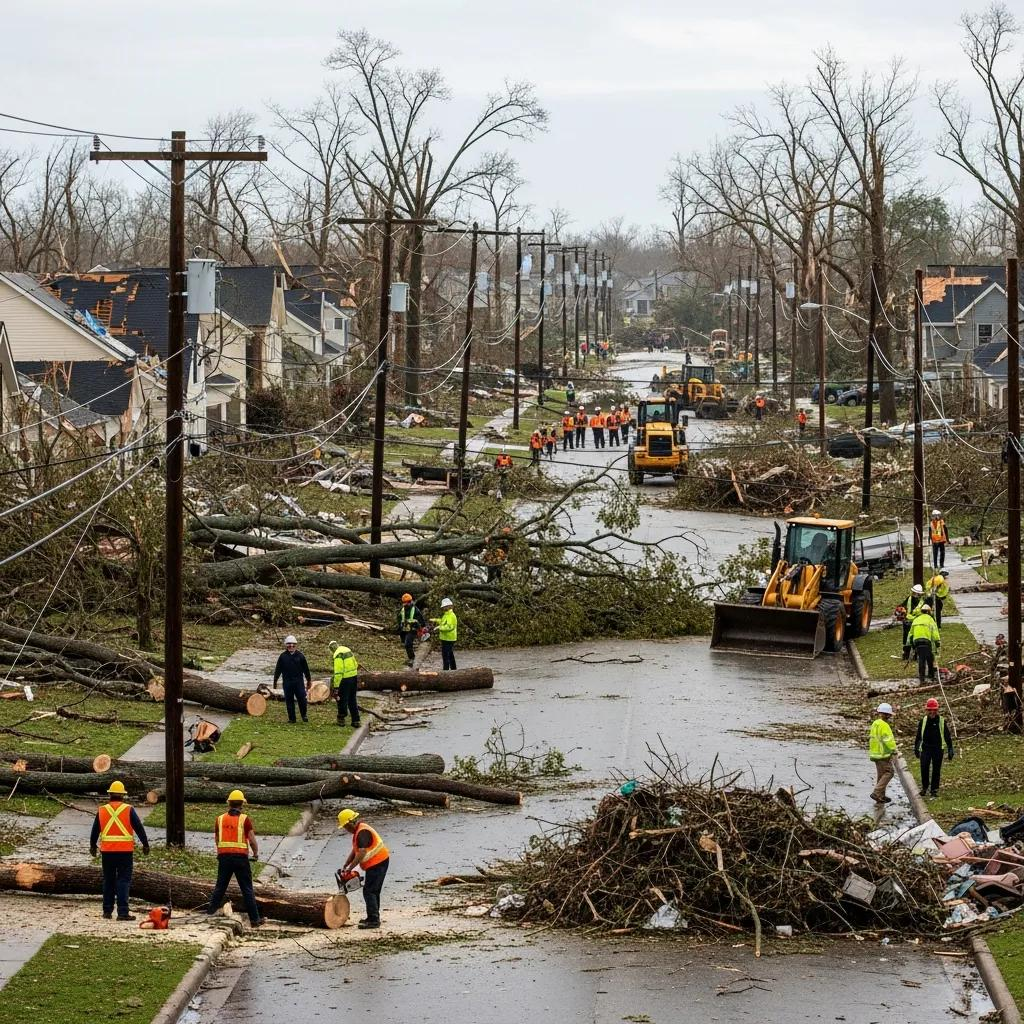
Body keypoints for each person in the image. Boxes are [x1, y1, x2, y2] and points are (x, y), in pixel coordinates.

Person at [90, 780, 150, 921]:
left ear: (110, 794)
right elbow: (138, 827)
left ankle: (107, 911)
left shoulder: (102, 810)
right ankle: (123, 912)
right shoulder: (128, 809)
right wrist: (145, 844)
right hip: (125, 852)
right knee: (123, 880)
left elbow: (95, 830)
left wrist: (93, 845)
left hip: (107, 851)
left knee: (108, 880)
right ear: (123, 795)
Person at [206, 791, 263, 927]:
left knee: (220, 887)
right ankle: (255, 920)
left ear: (229, 803)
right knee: (247, 889)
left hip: (224, 858)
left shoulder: (220, 819)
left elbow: (217, 839)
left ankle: (209, 914)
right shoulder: (244, 819)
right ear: (242, 804)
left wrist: (222, 852)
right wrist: (255, 854)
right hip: (241, 859)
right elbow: (252, 840)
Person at [337, 809, 390, 930]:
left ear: (350, 823)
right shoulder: (359, 831)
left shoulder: (362, 832)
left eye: (346, 826)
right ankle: (373, 916)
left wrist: (350, 868)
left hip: (378, 863)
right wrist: (347, 863)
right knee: (373, 890)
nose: (346, 829)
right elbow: (356, 849)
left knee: (369, 891)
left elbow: (361, 853)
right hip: (377, 863)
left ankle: (373, 920)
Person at [914, 697, 954, 798]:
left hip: (937, 749)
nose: (932, 712)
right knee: (924, 768)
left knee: (936, 770)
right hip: (925, 749)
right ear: (926, 710)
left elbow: (947, 735)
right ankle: (924, 787)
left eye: (934, 710)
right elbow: (919, 736)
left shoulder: (941, 721)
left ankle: (934, 790)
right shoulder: (923, 721)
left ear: (937, 710)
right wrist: (916, 748)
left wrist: (950, 748)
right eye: (930, 710)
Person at [273, 635, 312, 723]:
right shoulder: (282, 656)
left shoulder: (301, 656)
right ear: (286, 645)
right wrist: (275, 681)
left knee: (302, 699)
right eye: (289, 644)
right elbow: (278, 669)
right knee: (289, 701)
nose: (291, 646)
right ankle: (292, 718)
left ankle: (304, 715)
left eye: (293, 644)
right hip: (287, 682)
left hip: (299, 682)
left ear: (296, 645)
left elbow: (306, 669)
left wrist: (309, 680)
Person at [869, 702, 898, 805]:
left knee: (881, 775)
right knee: (889, 773)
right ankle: (877, 792)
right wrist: (894, 750)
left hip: (875, 754)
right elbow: (888, 740)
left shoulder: (875, 723)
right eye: (889, 715)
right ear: (886, 714)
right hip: (882, 754)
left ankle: (880, 796)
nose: (890, 716)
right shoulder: (884, 725)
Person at [330, 640, 360, 728]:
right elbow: (356, 664)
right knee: (352, 699)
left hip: (344, 679)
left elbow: (338, 672)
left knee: (342, 699)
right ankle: (356, 720)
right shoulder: (347, 649)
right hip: (354, 677)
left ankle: (341, 719)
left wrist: (336, 686)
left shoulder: (337, 655)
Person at [909, 602, 941, 683]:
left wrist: (911, 644)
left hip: (916, 641)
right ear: (929, 611)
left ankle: (921, 677)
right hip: (926, 641)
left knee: (921, 658)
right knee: (929, 658)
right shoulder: (930, 619)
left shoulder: (916, 619)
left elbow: (910, 634)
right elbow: (935, 631)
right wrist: (937, 642)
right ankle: (931, 675)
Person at [397, 593, 425, 667]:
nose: (406, 604)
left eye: (408, 602)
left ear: (411, 601)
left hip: (413, 629)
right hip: (404, 630)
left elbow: (421, 620)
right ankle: (410, 658)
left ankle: (412, 658)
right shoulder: (402, 610)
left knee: (407, 644)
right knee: (406, 644)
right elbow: (399, 619)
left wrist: (422, 629)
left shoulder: (415, 610)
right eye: (405, 602)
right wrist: (399, 628)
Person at [901, 584, 928, 659]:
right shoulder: (909, 599)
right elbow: (902, 606)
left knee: (915, 639)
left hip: (917, 623)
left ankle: (916, 654)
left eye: (915, 592)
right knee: (906, 639)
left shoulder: (923, 602)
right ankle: (906, 653)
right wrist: (901, 610)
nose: (913, 594)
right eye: (913, 592)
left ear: (919, 594)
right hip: (907, 623)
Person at [432, 597, 458, 671]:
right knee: (450, 655)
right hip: (445, 638)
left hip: (449, 638)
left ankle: (445, 671)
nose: (444, 608)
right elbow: (443, 622)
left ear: (449, 606)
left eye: (445, 606)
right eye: (443, 607)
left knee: (445, 655)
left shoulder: (452, 615)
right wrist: (436, 620)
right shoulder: (446, 615)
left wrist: (439, 628)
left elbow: (449, 627)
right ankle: (454, 669)